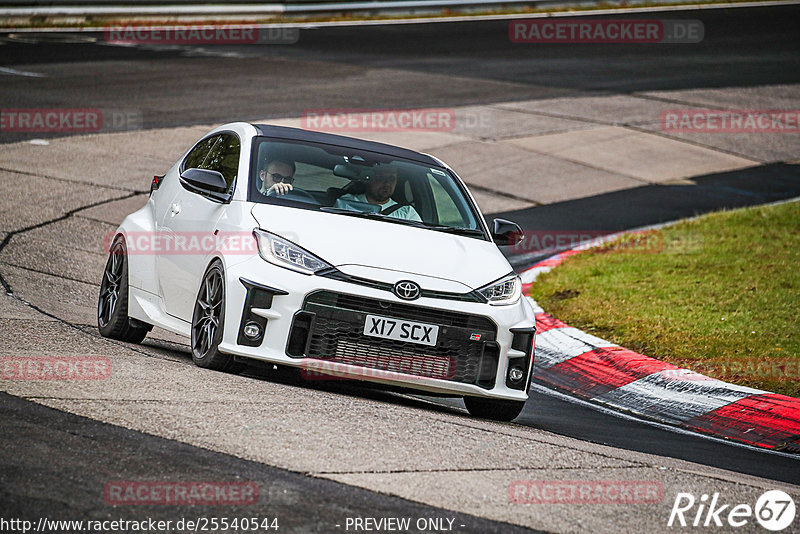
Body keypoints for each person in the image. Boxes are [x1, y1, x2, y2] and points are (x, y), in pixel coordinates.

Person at [335, 165, 422, 221]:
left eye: (391, 179)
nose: (387, 183)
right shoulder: (348, 202)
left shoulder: (407, 212)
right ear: (368, 180)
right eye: (381, 178)